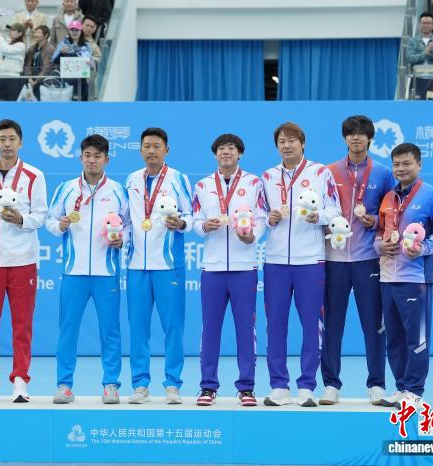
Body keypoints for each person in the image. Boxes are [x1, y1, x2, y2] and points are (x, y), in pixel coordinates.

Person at [260, 122, 341, 408]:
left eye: (292, 140)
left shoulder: (320, 173)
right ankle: (279, 385)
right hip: (275, 261)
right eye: (282, 141)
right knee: (275, 325)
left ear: (303, 143)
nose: (287, 145)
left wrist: (318, 217)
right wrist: (269, 219)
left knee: (311, 325)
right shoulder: (267, 176)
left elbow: (335, 210)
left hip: (310, 261)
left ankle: (307, 386)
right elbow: (259, 215)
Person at [45, 134, 129, 405]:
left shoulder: (117, 191)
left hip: (107, 273)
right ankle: (64, 385)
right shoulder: (67, 188)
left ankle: (110, 385)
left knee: (110, 331)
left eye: (97, 156)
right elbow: (49, 220)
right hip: (74, 272)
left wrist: (122, 240)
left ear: (107, 159)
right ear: (81, 157)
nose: (92, 161)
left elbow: (129, 225)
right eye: (87, 156)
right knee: (68, 330)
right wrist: (60, 226)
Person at [319, 116, 396, 407]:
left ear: (370, 138)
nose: (356, 138)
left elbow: (392, 214)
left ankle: (376, 384)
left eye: (362, 134)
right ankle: (331, 385)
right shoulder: (328, 171)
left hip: (368, 259)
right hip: (334, 258)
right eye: (351, 134)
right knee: (332, 324)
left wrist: (374, 220)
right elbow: (320, 209)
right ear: (344, 139)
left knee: (374, 325)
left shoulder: (384, 173)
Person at [0, 119, 48, 403]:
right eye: (2, 139)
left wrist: (20, 220)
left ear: (21, 142)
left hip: (22, 261)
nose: (7, 144)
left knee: (22, 324)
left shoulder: (34, 176)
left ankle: (20, 380)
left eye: (12, 139)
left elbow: (40, 215)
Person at [192, 133, 267, 407]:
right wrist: (204, 226)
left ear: (240, 153)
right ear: (215, 154)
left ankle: (246, 387)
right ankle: (207, 386)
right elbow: (195, 220)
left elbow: (261, 218)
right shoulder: (202, 185)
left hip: (244, 267)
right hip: (212, 268)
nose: (226, 152)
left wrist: (252, 236)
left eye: (231, 148)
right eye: (222, 148)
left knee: (246, 329)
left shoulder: (254, 183)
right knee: (210, 329)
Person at [374, 143, 433, 408]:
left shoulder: (432, 195)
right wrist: (380, 246)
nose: (401, 169)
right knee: (393, 338)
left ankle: (415, 391)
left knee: (415, 338)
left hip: (416, 279)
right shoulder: (388, 197)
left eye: (406, 163)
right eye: (396, 164)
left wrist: (424, 248)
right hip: (387, 277)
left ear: (419, 164)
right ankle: (401, 387)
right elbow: (380, 231)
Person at [124, 128, 193, 405]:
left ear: (166, 150)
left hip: (168, 265)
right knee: (138, 328)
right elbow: (126, 220)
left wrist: (182, 223)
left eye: (156, 146)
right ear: (140, 150)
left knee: (173, 327)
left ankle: (173, 384)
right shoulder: (132, 179)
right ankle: (140, 384)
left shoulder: (178, 179)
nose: (151, 151)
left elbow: (191, 215)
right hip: (136, 266)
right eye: (147, 146)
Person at [407, 12, 433, 100]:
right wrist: (425, 53)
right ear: (419, 25)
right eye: (423, 23)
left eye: (428, 23)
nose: (426, 25)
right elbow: (410, 58)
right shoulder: (412, 41)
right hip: (418, 79)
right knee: (418, 105)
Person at [51, 19, 93, 100]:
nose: (74, 32)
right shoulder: (63, 44)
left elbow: (91, 64)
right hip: (66, 81)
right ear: (69, 31)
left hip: (82, 81)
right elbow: (54, 61)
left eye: (77, 30)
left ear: (81, 31)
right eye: (72, 30)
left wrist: (89, 63)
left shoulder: (86, 45)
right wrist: (61, 53)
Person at [0, 23, 26, 101]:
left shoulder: (21, 45)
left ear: (20, 33)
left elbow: (5, 49)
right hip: (0, 77)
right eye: (10, 30)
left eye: (14, 30)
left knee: (11, 103)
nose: (11, 31)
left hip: (13, 78)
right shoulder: (5, 43)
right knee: (0, 102)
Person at [22, 25, 53, 101]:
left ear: (46, 35)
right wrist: (29, 77)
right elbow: (27, 64)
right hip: (31, 80)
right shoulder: (32, 48)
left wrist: (37, 80)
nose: (36, 34)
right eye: (35, 32)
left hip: (43, 81)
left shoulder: (50, 49)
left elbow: (47, 68)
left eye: (39, 32)